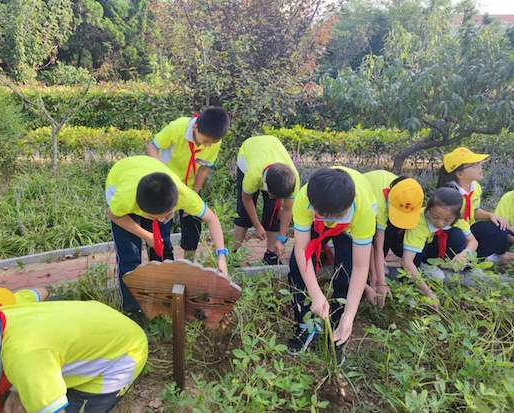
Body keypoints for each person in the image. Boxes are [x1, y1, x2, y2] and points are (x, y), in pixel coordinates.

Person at [0, 300, 148, 413]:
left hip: (124, 354)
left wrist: (31, 395)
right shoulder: (1, 316)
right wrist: (19, 392)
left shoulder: (24, 356)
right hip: (109, 326)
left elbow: (30, 361)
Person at [106, 156, 228, 313]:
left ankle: (166, 300)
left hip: (149, 176)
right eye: (156, 217)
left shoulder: (184, 195)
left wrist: (222, 257)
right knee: (129, 258)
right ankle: (133, 310)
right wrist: (146, 235)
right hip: (120, 179)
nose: (163, 220)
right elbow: (114, 215)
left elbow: (212, 219)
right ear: (142, 210)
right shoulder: (124, 198)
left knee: (163, 249)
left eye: (168, 214)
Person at [287, 167, 376, 361]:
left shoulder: (363, 210)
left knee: (347, 271)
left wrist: (349, 316)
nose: (331, 221)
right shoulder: (304, 200)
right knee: (296, 266)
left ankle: (337, 330)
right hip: (317, 220)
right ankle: (304, 325)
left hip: (351, 229)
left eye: (337, 217)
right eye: (324, 216)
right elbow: (302, 250)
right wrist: (315, 293)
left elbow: (361, 266)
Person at [146, 107, 230, 261]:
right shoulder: (177, 128)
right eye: (205, 141)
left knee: (193, 223)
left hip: (190, 186)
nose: (207, 146)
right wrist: (160, 175)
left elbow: (205, 167)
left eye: (212, 143)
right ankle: (163, 265)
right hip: (166, 185)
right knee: (161, 228)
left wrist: (195, 191)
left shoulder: (213, 140)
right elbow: (152, 146)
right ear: (196, 126)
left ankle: (188, 261)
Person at [399, 187, 478, 303]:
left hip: (434, 248)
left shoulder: (457, 221)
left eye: (447, 220)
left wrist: (464, 254)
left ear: (456, 216)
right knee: (421, 261)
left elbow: (473, 241)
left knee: (457, 234)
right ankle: (420, 270)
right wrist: (429, 292)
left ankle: (444, 266)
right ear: (428, 209)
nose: (440, 223)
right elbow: (406, 261)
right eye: (435, 217)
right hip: (416, 251)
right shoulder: (419, 222)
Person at [233, 135, 300, 265]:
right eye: (273, 195)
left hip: (272, 147)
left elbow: (287, 209)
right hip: (249, 152)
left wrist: (281, 238)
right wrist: (257, 225)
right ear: (265, 185)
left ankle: (271, 254)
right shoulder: (253, 175)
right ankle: (232, 254)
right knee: (243, 214)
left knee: (273, 212)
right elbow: (247, 200)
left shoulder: (293, 179)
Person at [437, 147, 510, 263]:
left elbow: (474, 210)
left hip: (468, 228)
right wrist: (471, 238)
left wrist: (490, 215)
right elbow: (451, 221)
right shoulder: (450, 192)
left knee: (498, 229)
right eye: (474, 164)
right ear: (460, 173)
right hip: (451, 232)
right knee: (458, 236)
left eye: (479, 163)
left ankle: (480, 258)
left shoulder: (475, 187)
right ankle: (457, 262)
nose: (480, 166)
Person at [363, 170, 424, 307]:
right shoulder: (379, 205)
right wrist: (379, 282)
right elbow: (375, 245)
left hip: (388, 201)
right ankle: (370, 279)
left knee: (390, 235)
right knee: (375, 243)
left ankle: (378, 273)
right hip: (367, 203)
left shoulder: (409, 192)